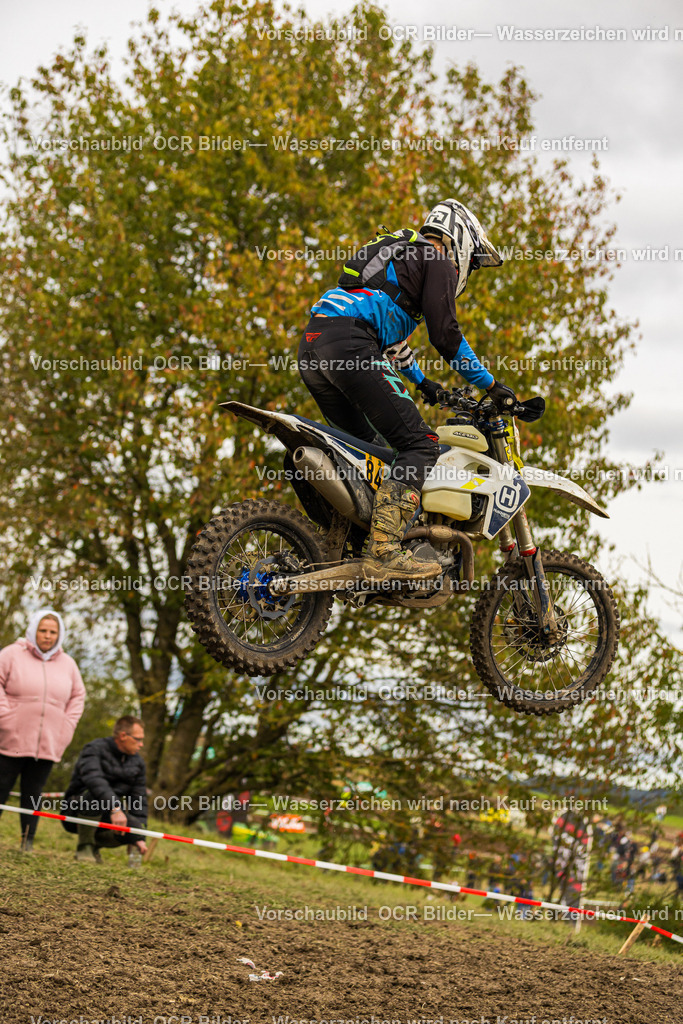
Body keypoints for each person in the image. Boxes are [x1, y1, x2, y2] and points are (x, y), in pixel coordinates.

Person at [298, 199, 517, 583]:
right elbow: (446, 336)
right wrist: (492, 385)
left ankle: (342, 542)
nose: (468, 271)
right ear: (460, 239)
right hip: (351, 345)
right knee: (421, 445)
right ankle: (383, 551)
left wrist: (422, 383)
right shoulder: (438, 259)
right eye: (472, 263)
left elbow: (385, 329)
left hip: (315, 347)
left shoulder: (403, 255)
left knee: (368, 452)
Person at [0, 608, 86, 852]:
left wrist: (66, 727)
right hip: (10, 739)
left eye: (53, 632)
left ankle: (27, 841)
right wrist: (5, 718)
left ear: (59, 635)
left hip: (48, 743)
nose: (47, 636)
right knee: (1, 787)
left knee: (33, 793)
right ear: (33, 631)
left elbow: (78, 696)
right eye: (43, 630)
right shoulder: (11, 654)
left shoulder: (68, 664)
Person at [61, 715, 148, 865]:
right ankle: (85, 847)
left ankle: (95, 846)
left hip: (111, 812)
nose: (141, 744)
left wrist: (139, 836)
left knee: (135, 829)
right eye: (138, 739)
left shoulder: (138, 762)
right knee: (95, 796)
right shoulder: (94, 749)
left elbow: (138, 798)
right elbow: (94, 781)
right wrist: (115, 808)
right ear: (123, 736)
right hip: (77, 808)